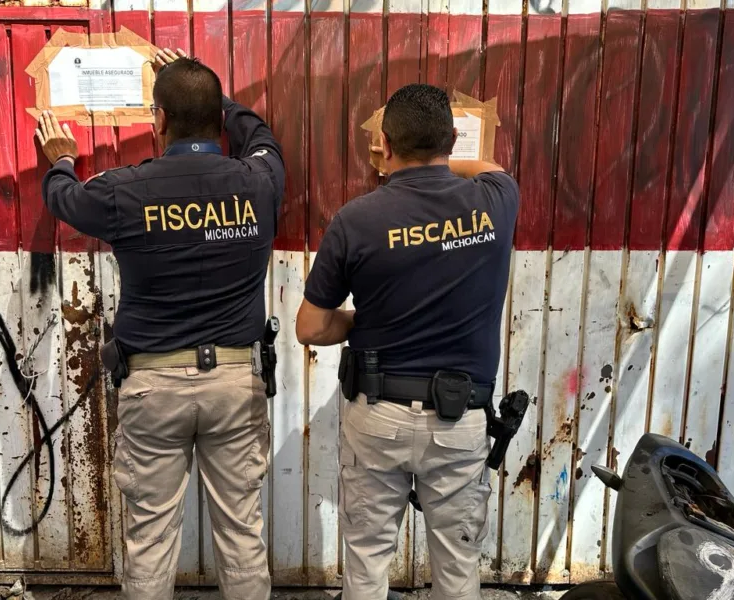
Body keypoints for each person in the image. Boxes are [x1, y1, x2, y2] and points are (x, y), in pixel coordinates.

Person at [36, 49, 283, 600]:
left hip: (152, 387)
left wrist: (61, 158)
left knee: (149, 540)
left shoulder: (123, 190)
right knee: (242, 534)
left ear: (160, 120)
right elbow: (262, 135)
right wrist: (220, 100)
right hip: (236, 386)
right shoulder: (261, 180)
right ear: (218, 119)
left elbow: (65, 199)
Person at [296, 83, 519, 600]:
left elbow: (310, 327)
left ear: (386, 145)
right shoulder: (496, 200)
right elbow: (490, 167)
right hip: (460, 421)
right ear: (454, 139)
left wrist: (362, 319)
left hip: (378, 416)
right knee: (458, 568)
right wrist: (437, 158)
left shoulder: (356, 219)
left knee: (367, 562)